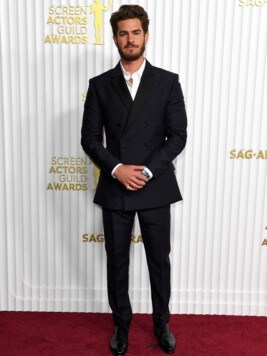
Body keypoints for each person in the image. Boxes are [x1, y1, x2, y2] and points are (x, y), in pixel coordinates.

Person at [81, 4, 187, 355]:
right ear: (115, 38)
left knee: (159, 260)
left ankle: (161, 322)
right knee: (117, 262)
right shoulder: (99, 85)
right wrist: (116, 169)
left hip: (154, 185)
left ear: (146, 35)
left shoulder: (168, 82)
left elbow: (178, 136)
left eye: (136, 32)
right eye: (123, 33)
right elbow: (90, 139)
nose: (130, 39)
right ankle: (121, 326)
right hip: (116, 186)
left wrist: (146, 170)